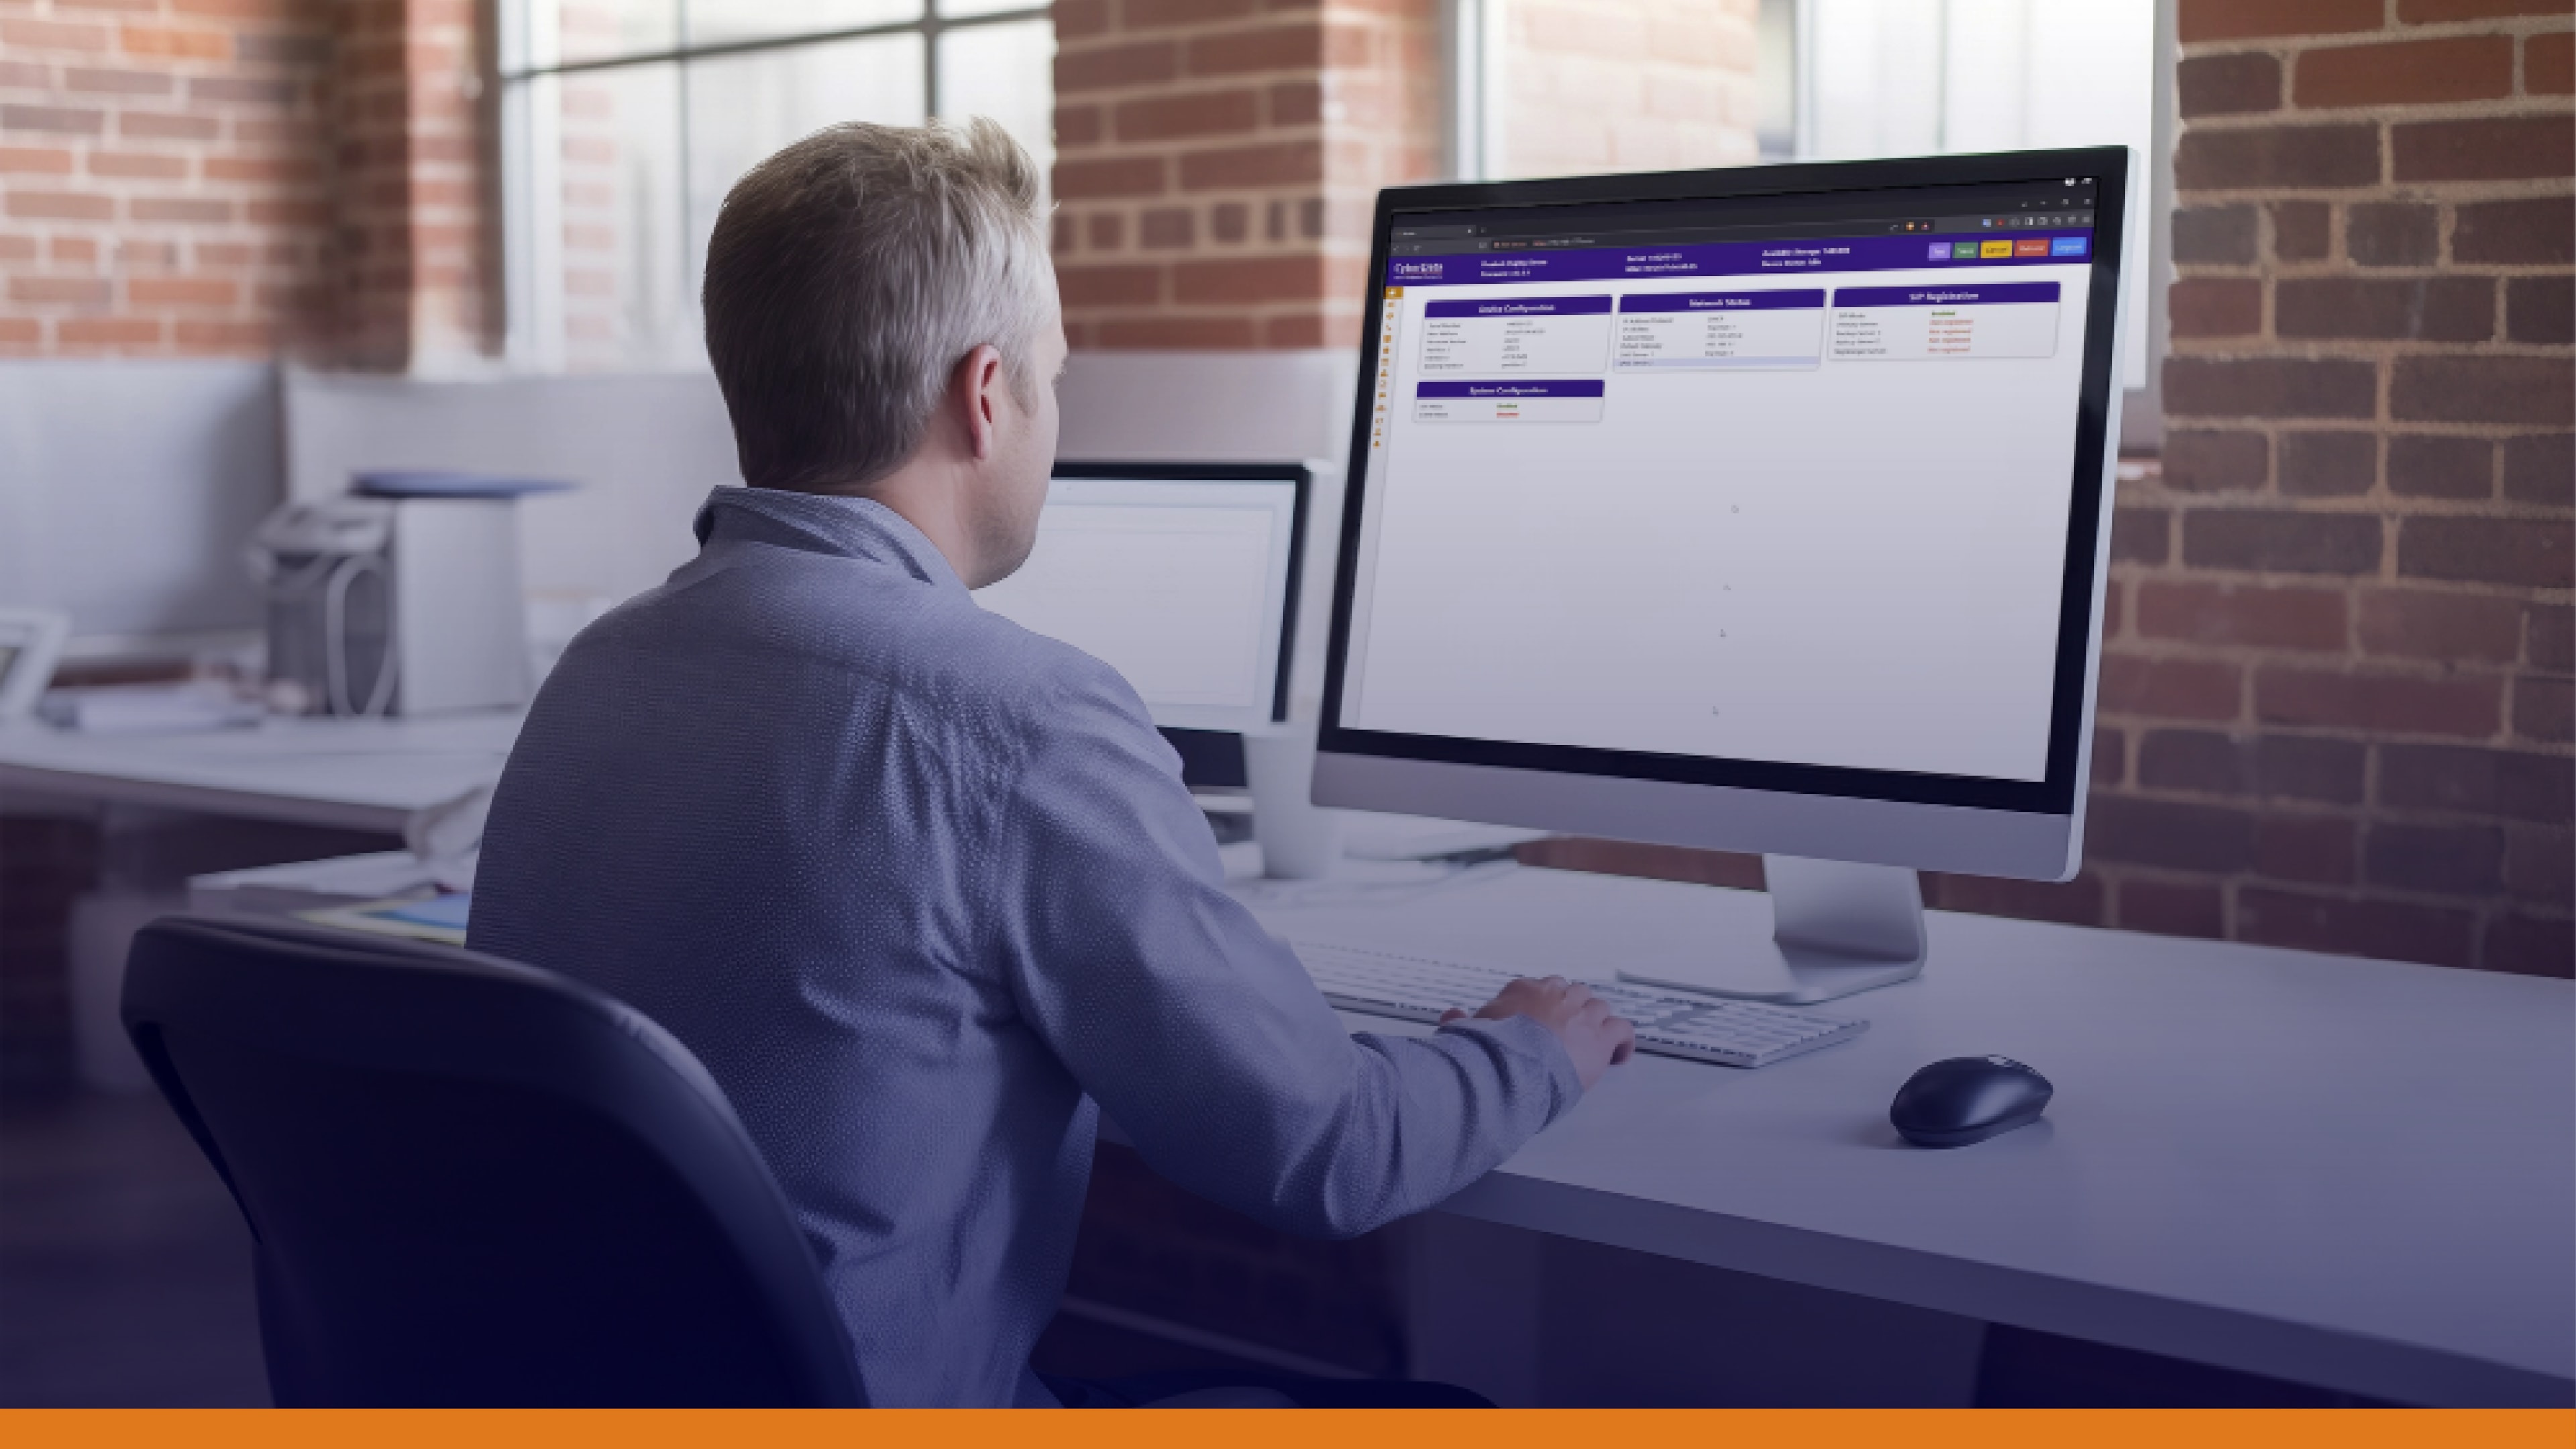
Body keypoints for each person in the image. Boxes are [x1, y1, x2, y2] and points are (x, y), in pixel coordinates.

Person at [467, 118, 1634, 1408]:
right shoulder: (1015, 715)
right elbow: (1326, 1152)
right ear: (983, 395)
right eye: (1051, 376)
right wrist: (1532, 1048)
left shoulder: (598, 666)